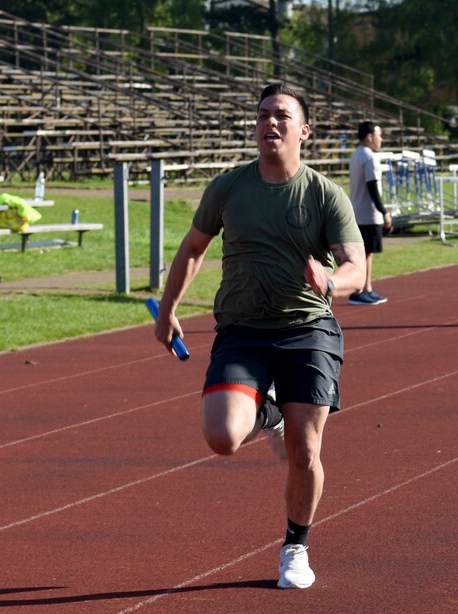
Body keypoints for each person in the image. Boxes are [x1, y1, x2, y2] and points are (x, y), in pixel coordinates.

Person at [152, 84, 366, 590]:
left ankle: (296, 545)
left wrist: (332, 282)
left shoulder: (323, 194)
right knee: (222, 437)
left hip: (307, 330)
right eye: (263, 115)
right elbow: (193, 249)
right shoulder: (229, 188)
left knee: (304, 452)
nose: (271, 123)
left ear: (304, 130)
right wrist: (167, 311)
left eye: (283, 116)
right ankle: (268, 412)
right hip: (242, 331)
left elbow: (357, 267)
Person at [347, 121, 392, 305]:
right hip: (368, 212)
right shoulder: (369, 157)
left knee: (365, 253)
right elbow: (372, 186)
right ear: (369, 136)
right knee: (365, 254)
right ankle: (359, 290)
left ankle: (367, 288)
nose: (381, 139)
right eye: (379, 135)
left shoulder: (356, 155)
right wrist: (384, 212)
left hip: (357, 210)